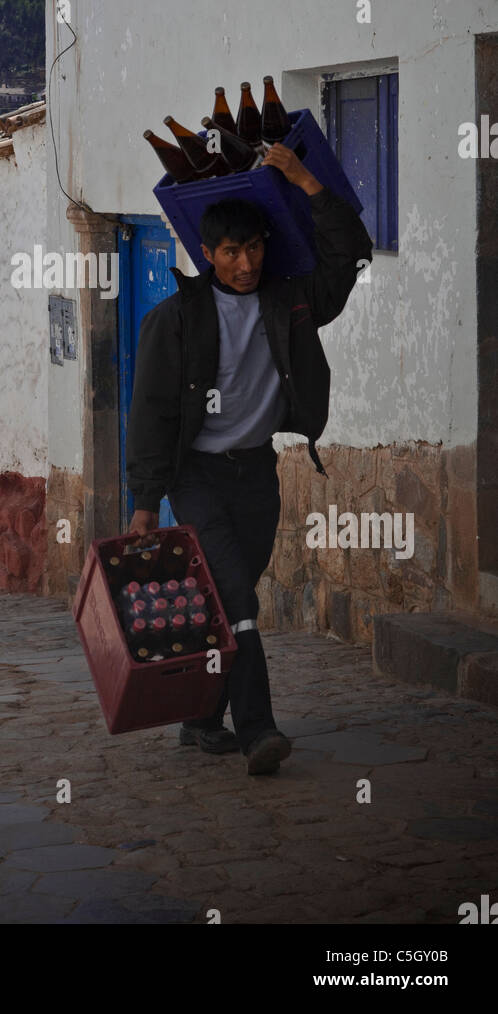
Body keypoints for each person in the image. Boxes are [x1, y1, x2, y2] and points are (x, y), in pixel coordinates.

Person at [125, 142, 373, 775]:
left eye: (255, 248)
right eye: (231, 252)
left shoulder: (288, 302)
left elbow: (347, 257)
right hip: (198, 477)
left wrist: (302, 178)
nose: (246, 262)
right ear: (206, 255)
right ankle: (259, 729)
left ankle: (202, 715)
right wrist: (145, 503)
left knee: (231, 590)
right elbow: (151, 413)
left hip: (256, 472)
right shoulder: (175, 320)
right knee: (237, 598)